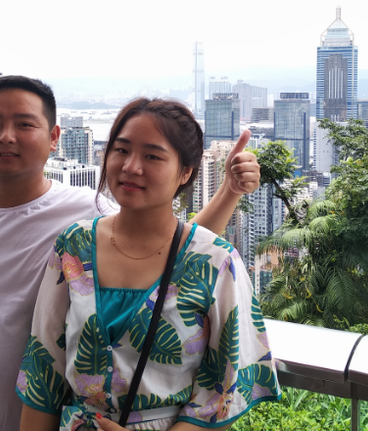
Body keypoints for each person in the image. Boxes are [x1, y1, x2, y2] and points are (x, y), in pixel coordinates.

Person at [0, 77, 263, 431]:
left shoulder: (86, 213)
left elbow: (172, 250)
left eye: (24, 124)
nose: (6, 136)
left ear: (54, 137)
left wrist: (228, 192)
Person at [17, 98, 281, 431]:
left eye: (152, 156)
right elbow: (43, 374)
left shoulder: (218, 262)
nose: (131, 167)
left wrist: (230, 190)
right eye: (121, 150)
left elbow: (219, 398)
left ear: (185, 172)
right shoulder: (74, 245)